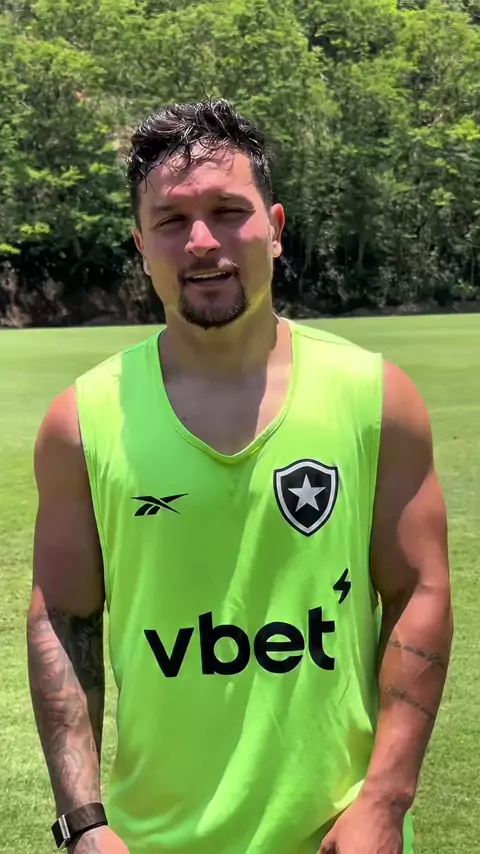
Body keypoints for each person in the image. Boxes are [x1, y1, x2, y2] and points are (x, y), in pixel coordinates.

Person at [27, 97, 453, 854]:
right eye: (171, 220)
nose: (202, 241)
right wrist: (84, 824)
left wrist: (385, 801)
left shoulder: (375, 397)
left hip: (339, 837)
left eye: (229, 211)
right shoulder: (81, 421)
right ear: (140, 245)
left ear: (276, 229)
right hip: (153, 840)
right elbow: (62, 619)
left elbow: (419, 589)